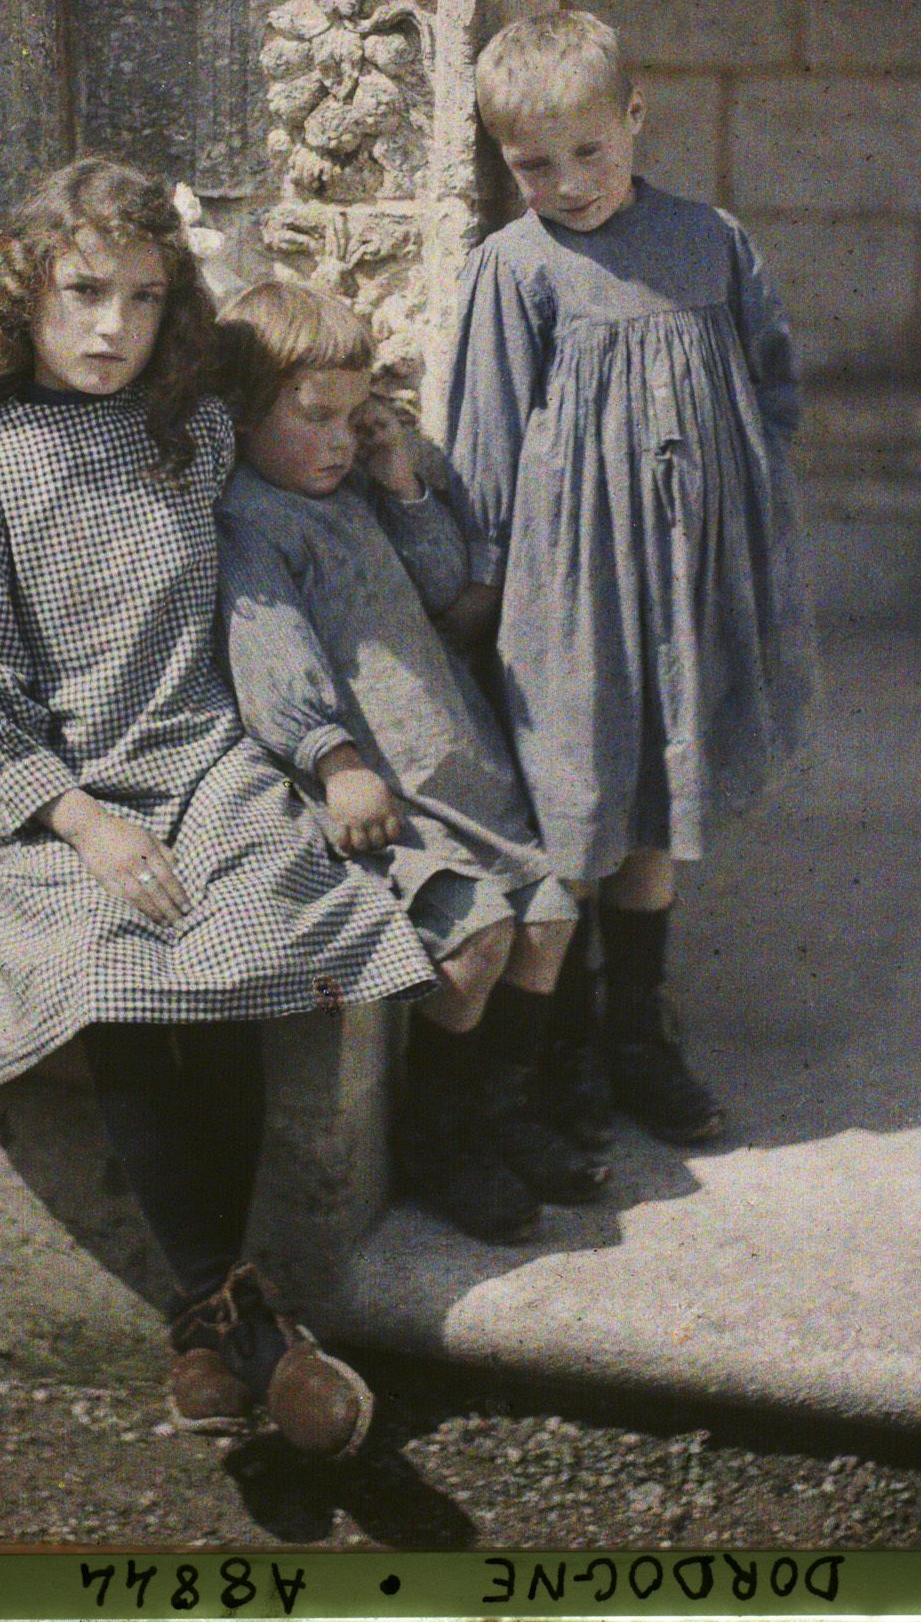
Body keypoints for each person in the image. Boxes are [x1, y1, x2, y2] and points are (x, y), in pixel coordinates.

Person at [0, 158, 438, 1458]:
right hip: (69, 800)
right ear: (20, 298)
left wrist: (391, 445)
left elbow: (283, 523)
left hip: (205, 763)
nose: (111, 329)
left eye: (144, 300)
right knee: (114, 961)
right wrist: (80, 821)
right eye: (82, 294)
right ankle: (232, 1318)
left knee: (254, 919)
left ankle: (216, 1333)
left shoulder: (189, 435)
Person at [443, 10, 816, 1149]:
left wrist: (733, 514)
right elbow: (483, 445)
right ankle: (553, 1052)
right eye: (533, 166)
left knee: (659, 793)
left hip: (688, 579)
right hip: (572, 592)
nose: (568, 183)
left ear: (635, 119)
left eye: (590, 152)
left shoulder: (710, 240)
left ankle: (635, 1035)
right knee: (576, 799)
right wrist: (483, 588)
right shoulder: (515, 268)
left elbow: (769, 383)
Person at [214, 279, 606, 1249]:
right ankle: (440, 1133)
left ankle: (505, 1108)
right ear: (241, 409)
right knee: (474, 942)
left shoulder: (355, 493)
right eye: (316, 418)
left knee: (549, 915)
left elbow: (444, 588)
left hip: (456, 761)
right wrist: (333, 756)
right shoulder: (252, 521)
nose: (340, 440)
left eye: (356, 418)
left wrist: (399, 483)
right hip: (383, 786)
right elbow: (271, 653)